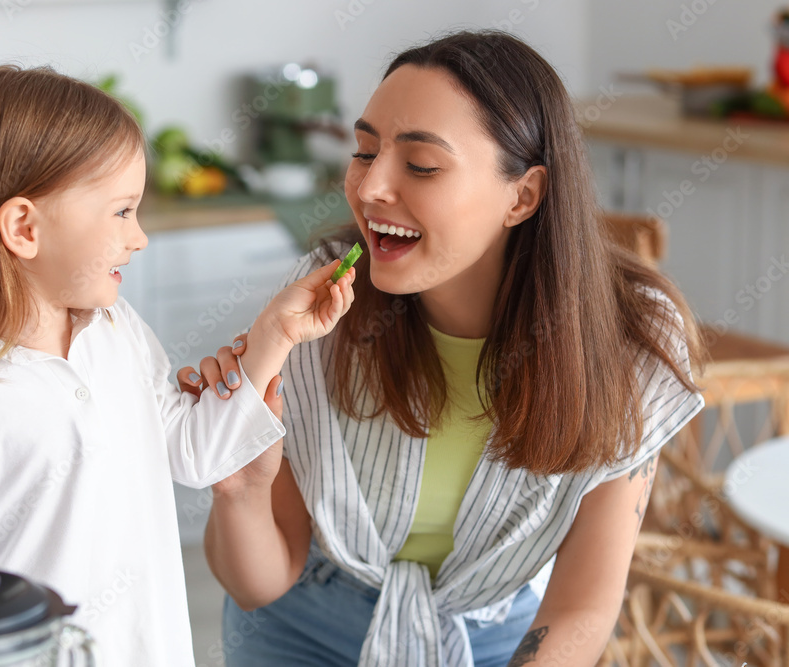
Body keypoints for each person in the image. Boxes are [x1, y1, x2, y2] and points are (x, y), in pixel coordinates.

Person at [180, 30, 705, 666]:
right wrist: (238, 488)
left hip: (492, 631)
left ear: (524, 195)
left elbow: (580, 608)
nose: (371, 189)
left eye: (421, 165)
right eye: (364, 151)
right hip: (301, 621)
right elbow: (258, 581)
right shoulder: (320, 311)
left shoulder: (631, 341)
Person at [0, 65, 356, 667]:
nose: (140, 237)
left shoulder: (116, 332)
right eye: (123, 212)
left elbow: (198, 451)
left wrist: (275, 336)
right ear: (24, 227)